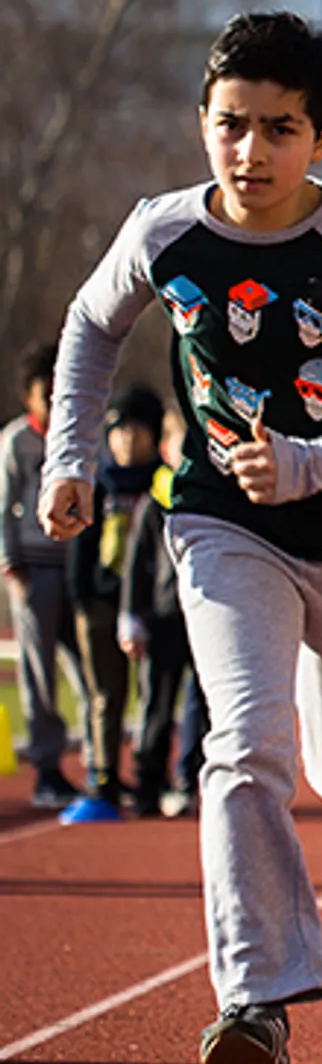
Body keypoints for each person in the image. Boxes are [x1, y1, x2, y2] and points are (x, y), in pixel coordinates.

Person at [37, 11, 322, 1064]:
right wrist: (68, 458)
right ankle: (256, 1002)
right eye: (232, 125)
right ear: (202, 122)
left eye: (280, 129)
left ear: (321, 138)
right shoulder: (162, 231)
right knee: (242, 746)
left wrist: (313, 462)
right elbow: (90, 326)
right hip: (223, 525)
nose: (251, 151)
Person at [62, 384, 166, 821]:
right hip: (101, 601)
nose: (127, 440)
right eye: (120, 431)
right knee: (105, 693)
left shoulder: (163, 483)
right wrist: (81, 597)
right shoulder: (98, 481)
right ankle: (103, 772)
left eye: (137, 431)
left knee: (152, 692)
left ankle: (149, 773)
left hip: (150, 604)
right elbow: (80, 544)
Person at [2, 342, 87, 810]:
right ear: (28, 397)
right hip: (34, 568)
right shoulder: (17, 442)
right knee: (38, 670)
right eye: (46, 396)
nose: (55, 406)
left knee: (89, 666)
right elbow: (2, 508)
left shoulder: (80, 439)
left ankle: (99, 760)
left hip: (75, 567)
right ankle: (47, 768)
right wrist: (11, 566)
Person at [120, 408, 211, 819]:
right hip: (164, 616)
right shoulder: (154, 503)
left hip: (207, 613)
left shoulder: (215, 500)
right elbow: (137, 564)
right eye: (180, 442)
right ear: (164, 448)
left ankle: (188, 780)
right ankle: (148, 782)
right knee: (156, 701)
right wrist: (130, 616)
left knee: (202, 702)